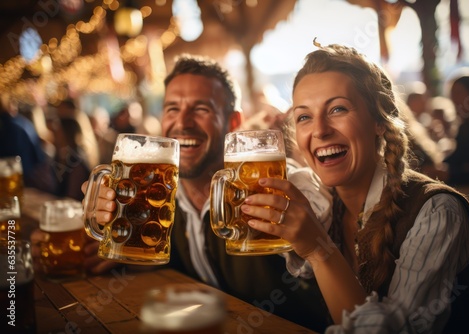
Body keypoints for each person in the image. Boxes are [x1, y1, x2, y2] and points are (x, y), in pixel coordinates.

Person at [31, 54, 332, 331]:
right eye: (173, 108)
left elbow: (317, 224)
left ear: (233, 122)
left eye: (201, 109)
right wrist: (99, 236)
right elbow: (127, 243)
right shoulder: (157, 196)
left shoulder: (276, 185)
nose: (183, 123)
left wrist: (309, 229)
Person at [242, 44, 469, 333]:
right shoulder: (320, 203)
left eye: (337, 109)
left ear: (378, 120)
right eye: (304, 117)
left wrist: (318, 249)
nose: (320, 130)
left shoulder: (436, 212)